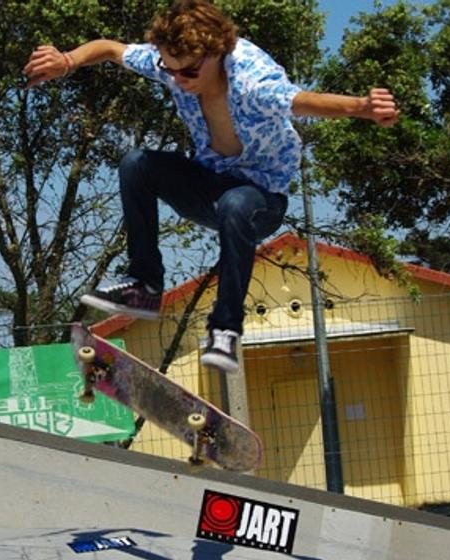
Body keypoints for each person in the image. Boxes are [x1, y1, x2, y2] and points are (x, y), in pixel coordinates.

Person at [22, 0, 399, 373]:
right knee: (136, 164)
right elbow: (109, 49)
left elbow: (305, 102)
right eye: (170, 70)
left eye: (188, 72)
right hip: (208, 186)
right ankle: (144, 286)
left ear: (215, 52)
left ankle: (225, 330)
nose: (178, 81)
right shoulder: (171, 63)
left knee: (236, 203)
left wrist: (362, 107)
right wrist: (67, 61)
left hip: (260, 201)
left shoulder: (253, 80)